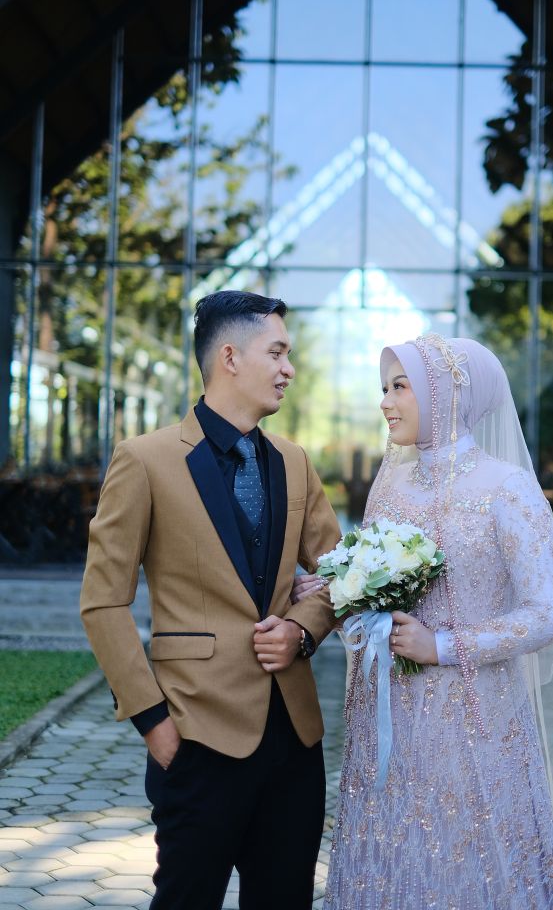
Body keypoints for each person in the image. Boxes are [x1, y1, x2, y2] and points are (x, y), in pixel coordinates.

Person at [294, 333, 553, 909]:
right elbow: (378, 599)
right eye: (384, 388)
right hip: (385, 716)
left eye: (400, 386)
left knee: (468, 859)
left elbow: (550, 613)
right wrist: (339, 596)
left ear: (446, 393)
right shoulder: (390, 484)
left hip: (473, 719)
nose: (385, 402)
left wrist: (441, 644)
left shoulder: (506, 487)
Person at [80, 290, 340, 910]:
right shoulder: (144, 460)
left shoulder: (295, 461)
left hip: (294, 739)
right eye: (276, 353)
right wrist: (153, 723)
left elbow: (342, 573)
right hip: (194, 733)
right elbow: (102, 601)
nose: (288, 368)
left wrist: (302, 629)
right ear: (229, 357)